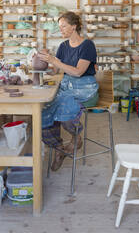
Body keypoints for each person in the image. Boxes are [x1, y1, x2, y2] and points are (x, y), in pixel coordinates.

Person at [38, 11, 98, 171]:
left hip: (86, 89)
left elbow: (78, 72)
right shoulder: (63, 46)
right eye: (60, 27)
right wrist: (43, 64)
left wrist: (54, 61)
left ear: (74, 26)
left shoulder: (87, 45)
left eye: (63, 26)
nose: (61, 30)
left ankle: (76, 137)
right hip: (67, 88)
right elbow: (57, 72)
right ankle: (60, 149)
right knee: (42, 114)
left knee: (65, 110)